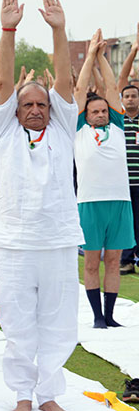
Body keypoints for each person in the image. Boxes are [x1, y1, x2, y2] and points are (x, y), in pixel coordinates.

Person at [0, 0, 81, 411]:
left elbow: (63, 80)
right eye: (27, 104)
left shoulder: (63, 128)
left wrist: (59, 31)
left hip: (59, 239)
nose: (34, 109)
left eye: (40, 104)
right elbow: (5, 83)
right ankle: (23, 394)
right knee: (17, 320)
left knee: (59, 323)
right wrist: (8, 30)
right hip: (14, 241)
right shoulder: (3, 133)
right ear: (15, 110)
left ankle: (48, 394)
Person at [73, 29, 134, 328]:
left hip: (120, 202)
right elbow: (81, 89)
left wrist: (101, 56)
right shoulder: (79, 130)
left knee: (114, 261)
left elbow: (112, 87)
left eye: (103, 111)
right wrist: (89, 59)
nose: (100, 114)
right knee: (92, 262)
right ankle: (96, 317)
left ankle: (110, 316)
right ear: (87, 113)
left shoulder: (119, 126)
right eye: (94, 111)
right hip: (90, 203)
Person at [120, 83, 139, 274]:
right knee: (126, 223)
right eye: (127, 96)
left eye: (134, 96)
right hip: (123, 184)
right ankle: (126, 260)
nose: (131, 99)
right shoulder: (118, 122)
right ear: (122, 100)